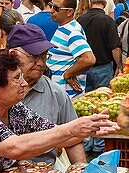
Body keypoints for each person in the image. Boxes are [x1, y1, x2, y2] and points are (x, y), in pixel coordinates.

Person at [6, 23, 86, 165]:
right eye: (33, 56)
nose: (40, 63)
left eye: (44, 56)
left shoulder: (56, 93)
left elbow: (73, 139)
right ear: (13, 55)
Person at [77, 0, 123, 153]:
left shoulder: (80, 21)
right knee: (103, 108)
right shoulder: (108, 21)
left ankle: (86, 143)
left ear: (90, 3)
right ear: (104, 4)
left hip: (83, 69)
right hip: (103, 68)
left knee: (85, 108)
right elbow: (115, 47)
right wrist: (119, 67)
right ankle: (100, 145)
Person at [47, 0, 95, 95]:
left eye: (56, 8)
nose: (51, 10)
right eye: (51, 5)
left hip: (66, 95)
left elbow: (89, 59)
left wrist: (68, 74)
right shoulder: (64, 28)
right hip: (60, 93)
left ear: (69, 12)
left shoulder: (72, 32)